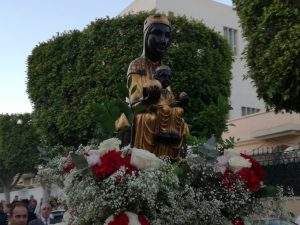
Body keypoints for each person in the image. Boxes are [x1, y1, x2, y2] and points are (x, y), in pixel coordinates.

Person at [126, 14, 189, 158]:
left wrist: (180, 102)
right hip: (146, 115)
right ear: (146, 36)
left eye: (167, 36)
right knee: (148, 118)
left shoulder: (163, 69)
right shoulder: (137, 65)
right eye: (158, 34)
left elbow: (168, 99)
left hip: (164, 115)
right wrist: (149, 98)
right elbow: (135, 103)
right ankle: (144, 161)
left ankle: (173, 161)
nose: (163, 41)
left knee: (179, 118)